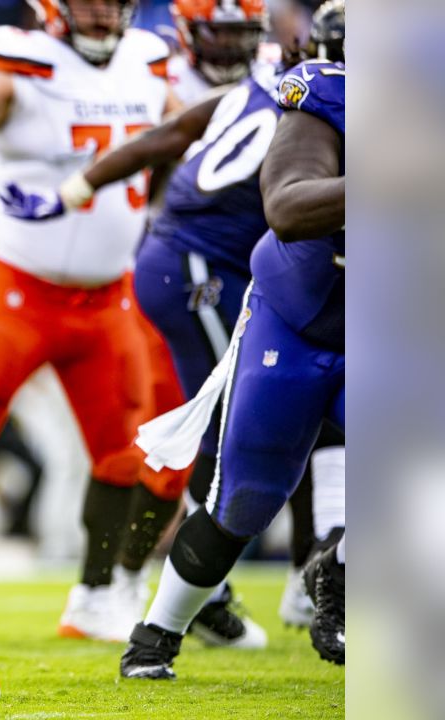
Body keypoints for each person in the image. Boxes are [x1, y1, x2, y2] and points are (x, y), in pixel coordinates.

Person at [0, 0, 194, 642]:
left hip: (108, 292)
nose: (102, 15)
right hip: (19, 286)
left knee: (122, 455)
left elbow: (181, 130)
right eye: (88, 2)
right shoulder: (23, 53)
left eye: (113, 3)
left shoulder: (147, 59)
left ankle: (94, 597)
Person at [120, 0, 345, 678]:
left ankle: (337, 573)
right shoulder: (324, 95)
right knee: (244, 495)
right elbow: (289, 205)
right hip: (296, 317)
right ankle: (156, 634)